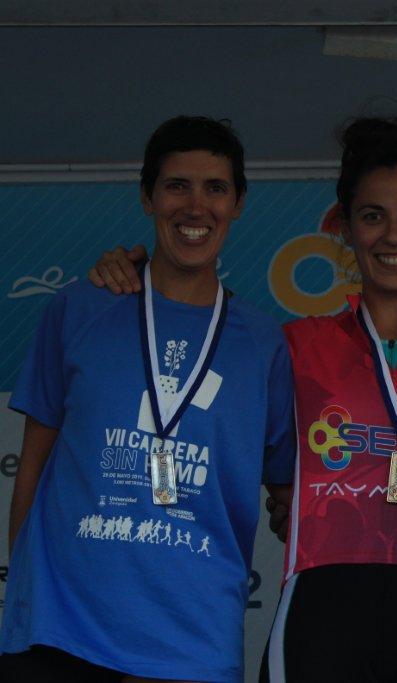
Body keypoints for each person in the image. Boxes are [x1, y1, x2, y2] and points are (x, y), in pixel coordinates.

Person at [87, 116, 397, 683]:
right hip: (320, 607)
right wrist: (130, 273)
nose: (393, 235)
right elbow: (185, 355)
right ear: (344, 227)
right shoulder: (289, 346)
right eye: (373, 216)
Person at [0, 116, 296, 682]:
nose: (195, 206)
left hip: (194, 644)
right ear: (147, 197)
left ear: (238, 204)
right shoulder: (80, 308)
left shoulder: (263, 346)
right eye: (176, 185)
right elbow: (32, 468)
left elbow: (290, 496)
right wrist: (24, 598)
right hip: (60, 632)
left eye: (215, 188)